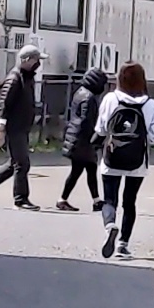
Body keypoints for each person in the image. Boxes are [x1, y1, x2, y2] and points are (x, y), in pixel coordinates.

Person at [93, 61, 154, 260]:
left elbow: (100, 129)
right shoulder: (150, 104)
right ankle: (122, 245)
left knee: (109, 200)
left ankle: (110, 227)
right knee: (129, 202)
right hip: (137, 161)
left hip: (111, 157)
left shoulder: (110, 99)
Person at [0, 44, 46, 211]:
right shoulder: (15, 78)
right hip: (14, 128)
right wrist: (0, 127)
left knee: (15, 163)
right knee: (22, 164)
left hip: (22, 127)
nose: (39, 63)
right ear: (27, 60)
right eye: (36, 60)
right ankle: (21, 199)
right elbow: (4, 103)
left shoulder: (26, 77)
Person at [58, 67, 108, 212]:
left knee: (88, 169)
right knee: (79, 171)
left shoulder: (80, 92)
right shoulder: (90, 97)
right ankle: (63, 199)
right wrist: (95, 139)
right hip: (83, 140)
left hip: (76, 137)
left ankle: (96, 200)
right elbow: (87, 120)